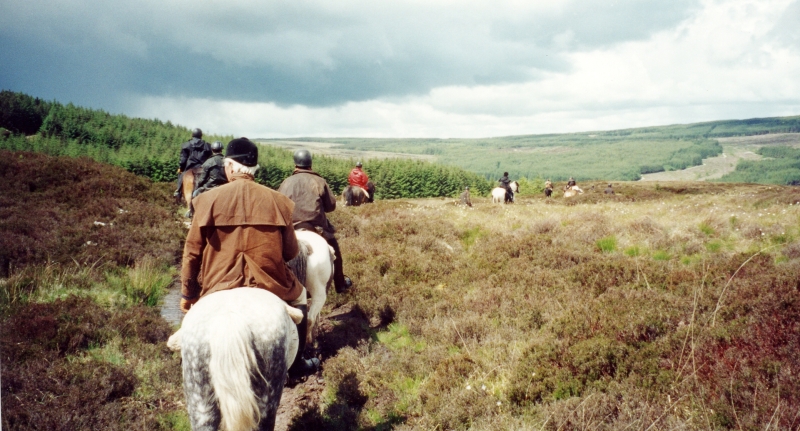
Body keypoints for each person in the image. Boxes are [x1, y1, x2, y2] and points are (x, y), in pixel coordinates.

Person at [179, 137, 320, 378]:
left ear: (231, 167)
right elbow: (291, 252)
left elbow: (191, 254)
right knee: (301, 297)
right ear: (253, 169)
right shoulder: (278, 201)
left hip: (218, 283)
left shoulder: (205, 200)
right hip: (270, 282)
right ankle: (296, 365)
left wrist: (187, 294)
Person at [278, 149, 352, 294]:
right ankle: (340, 283)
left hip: (291, 230)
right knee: (335, 251)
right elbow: (331, 206)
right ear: (310, 164)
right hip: (316, 229)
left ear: (295, 165)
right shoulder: (319, 181)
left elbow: (279, 206)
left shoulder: (286, 183)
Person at [175, 128, 212, 204]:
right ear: (201, 135)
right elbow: (210, 159)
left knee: (181, 174)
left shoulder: (187, 145)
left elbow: (183, 159)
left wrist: (181, 167)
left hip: (189, 167)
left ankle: (178, 192)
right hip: (203, 168)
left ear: (192, 135)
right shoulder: (207, 146)